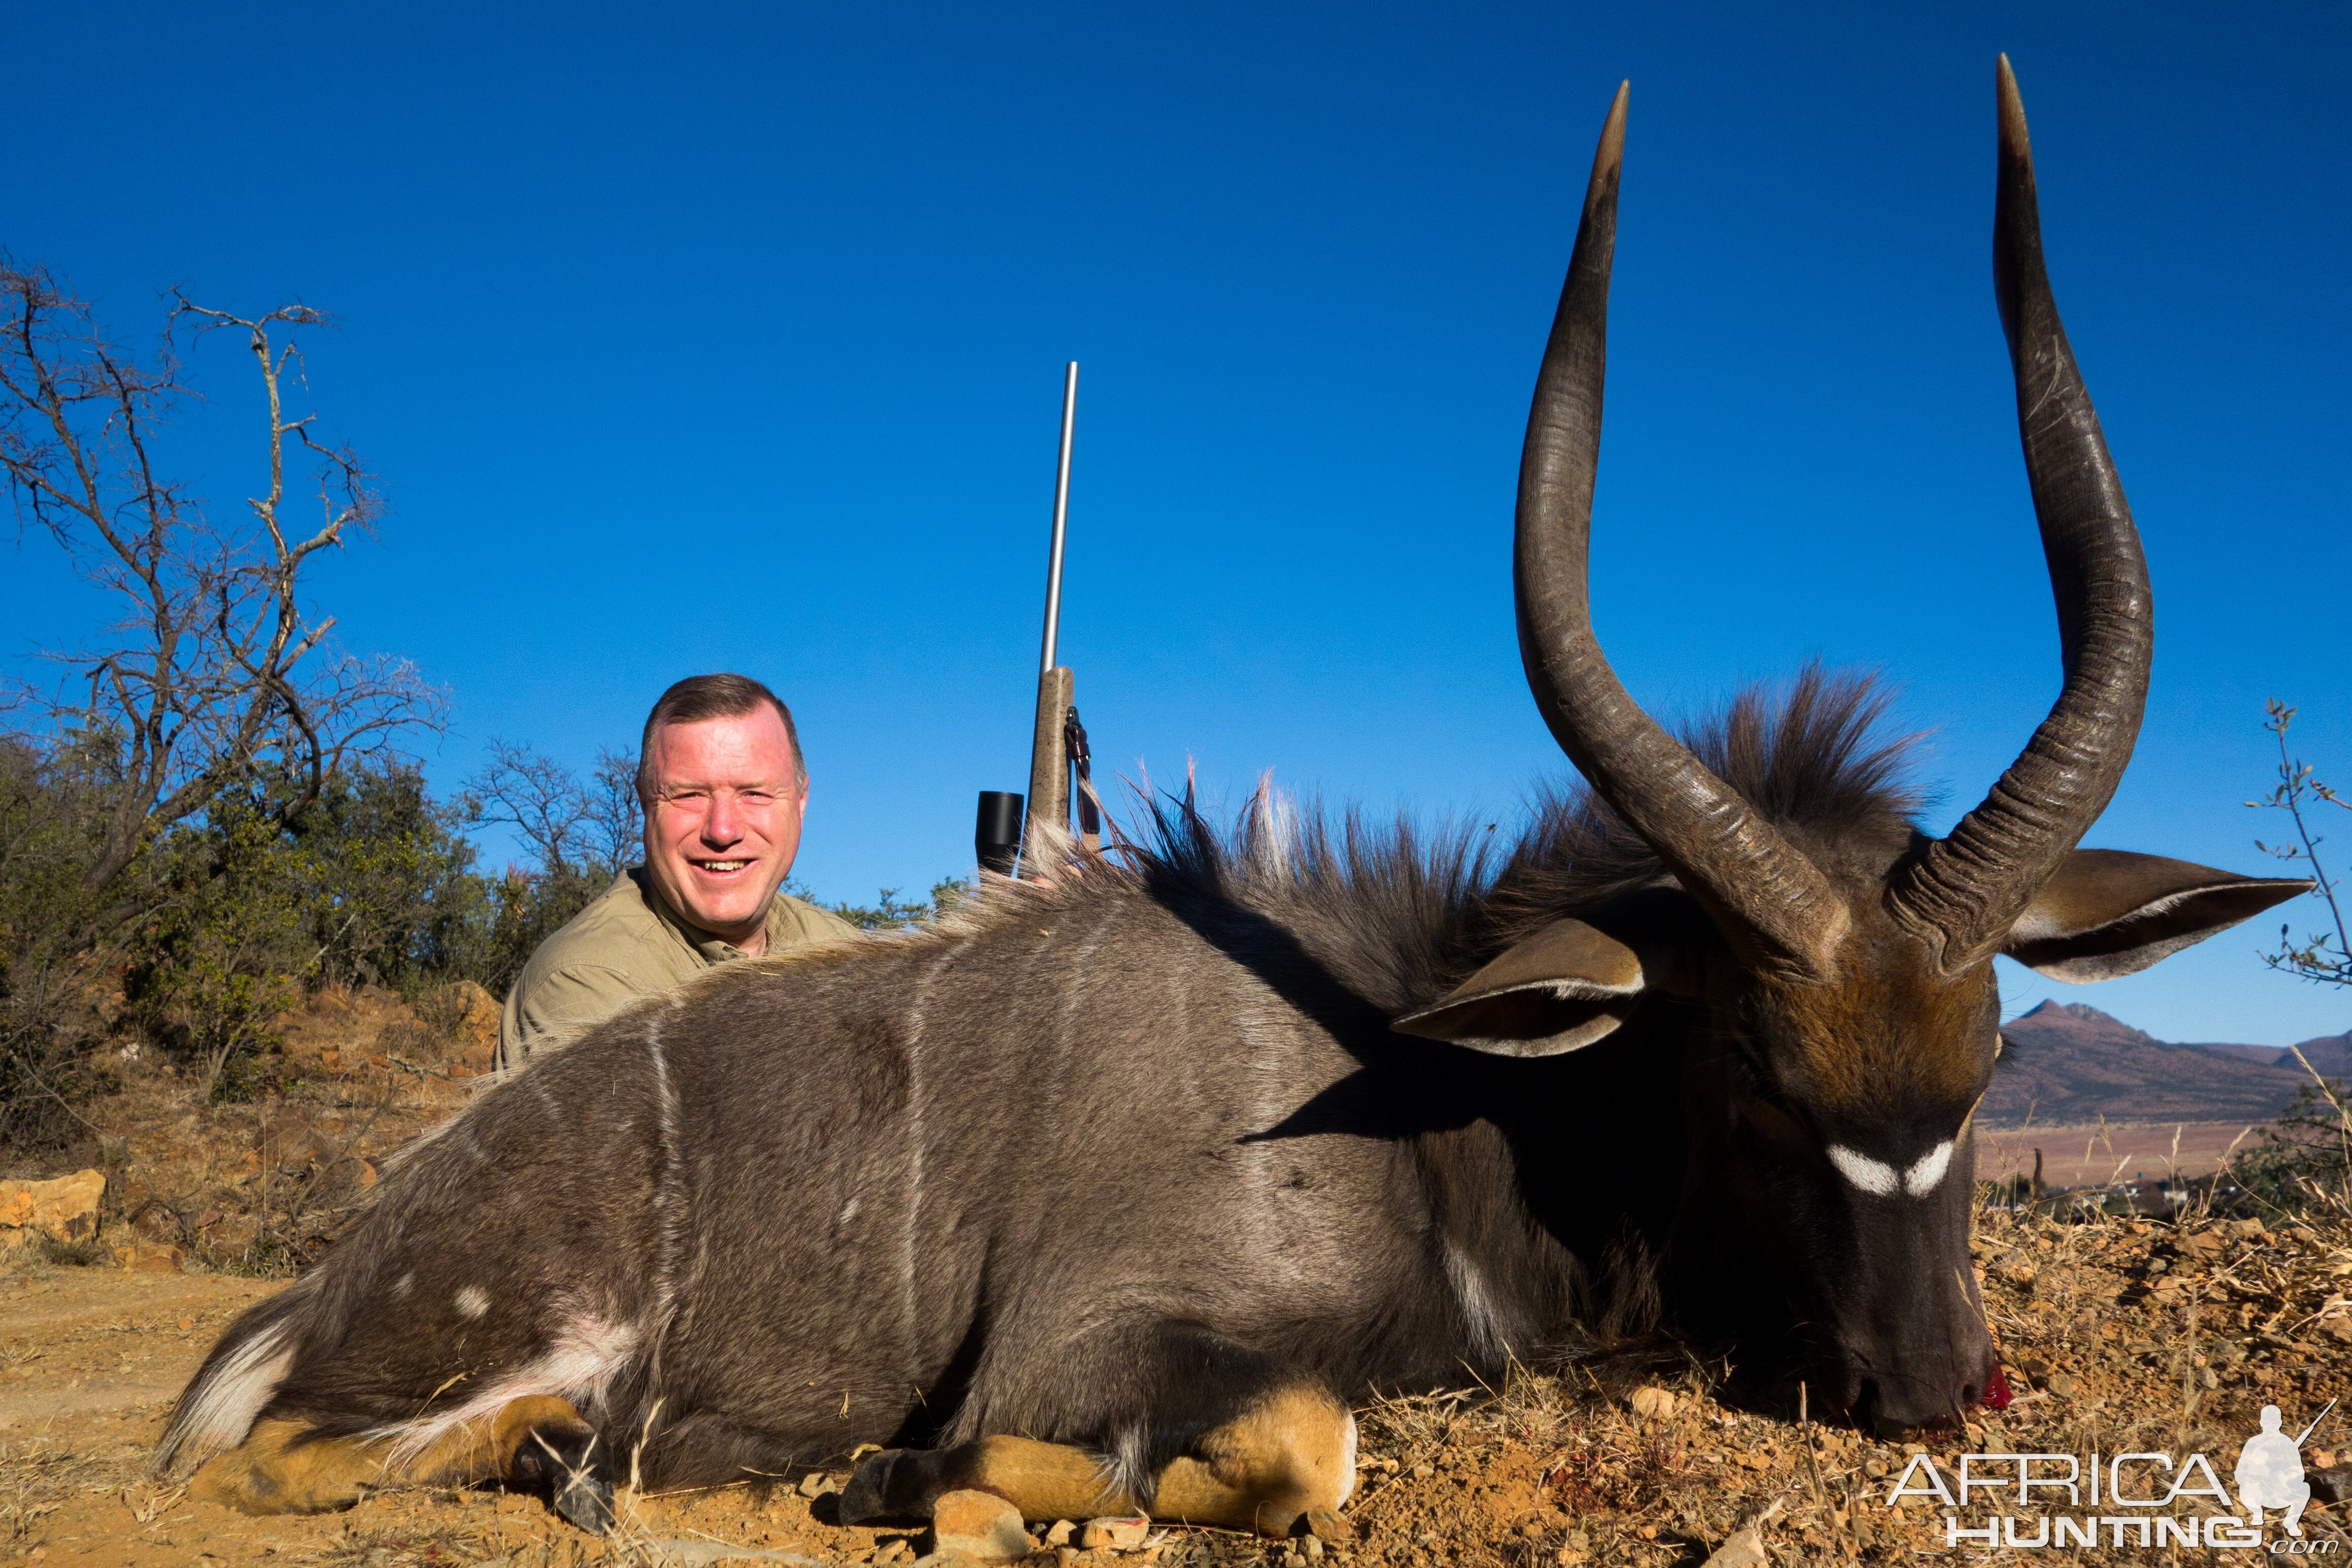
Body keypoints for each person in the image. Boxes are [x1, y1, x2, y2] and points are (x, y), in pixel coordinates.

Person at [495, 673, 859, 1074]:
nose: (722, 831)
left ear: (801, 800)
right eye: (688, 795)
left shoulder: (846, 953)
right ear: (645, 802)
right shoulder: (591, 983)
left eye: (754, 793)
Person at [2235, 1403, 2312, 1537]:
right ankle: (2257, 1513)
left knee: (2305, 1488)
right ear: (2261, 1423)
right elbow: (2240, 1473)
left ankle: (2291, 1522)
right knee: (2245, 1487)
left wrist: (2285, 1473)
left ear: (2280, 1423)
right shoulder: (2254, 1443)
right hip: (2259, 1491)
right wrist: (2259, 1469)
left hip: (2281, 1492)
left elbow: (2299, 1473)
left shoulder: (2287, 1443)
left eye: (2274, 1422)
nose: (2270, 1425)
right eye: (2267, 1422)